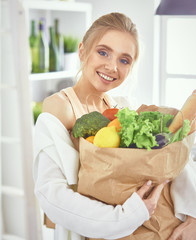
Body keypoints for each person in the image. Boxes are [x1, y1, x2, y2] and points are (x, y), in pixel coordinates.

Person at [33, 12, 196, 240]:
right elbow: (52, 195)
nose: (112, 66)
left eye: (124, 60)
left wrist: (193, 217)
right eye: (103, 52)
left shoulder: (122, 107)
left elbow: (173, 156)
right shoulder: (60, 107)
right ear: (82, 51)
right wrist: (127, 216)